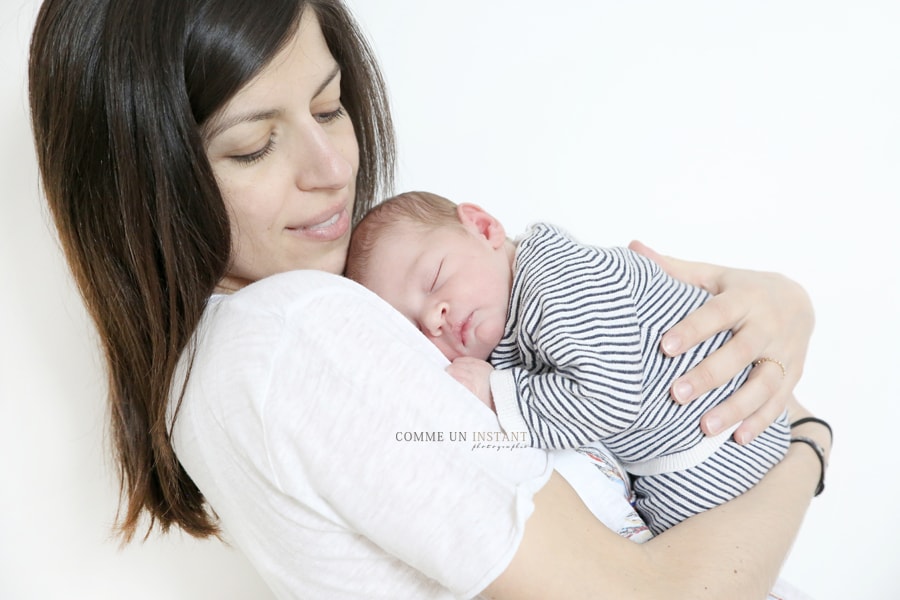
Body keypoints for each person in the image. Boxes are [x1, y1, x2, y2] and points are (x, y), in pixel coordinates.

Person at [27, 0, 832, 598]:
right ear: (145, 185)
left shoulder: (232, 355)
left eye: (329, 105)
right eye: (253, 144)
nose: (331, 167)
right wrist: (804, 437)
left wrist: (777, 302)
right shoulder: (302, 333)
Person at [344, 191, 794, 534]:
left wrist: (497, 393)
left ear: (483, 228)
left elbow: (608, 399)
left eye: (435, 278)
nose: (433, 318)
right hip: (695, 450)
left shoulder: (553, 281)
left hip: (724, 444)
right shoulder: (507, 320)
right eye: (418, 332)